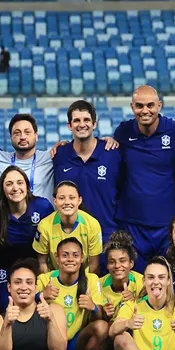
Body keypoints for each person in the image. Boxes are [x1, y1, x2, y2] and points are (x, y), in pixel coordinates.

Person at [114, 86, 175, 265]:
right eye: (139, 106)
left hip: (168, 223)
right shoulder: (123, 132)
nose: (145, 111)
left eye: (150, 105)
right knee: (136, 281)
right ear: (131, 107)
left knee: (168, 278)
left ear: (159, 105)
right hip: (132, 223)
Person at [74, 230, 142, 350]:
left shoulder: (142, 282)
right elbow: (95, 318)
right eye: (112, 262)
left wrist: (135, 301)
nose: (117, 266)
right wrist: (103, 312)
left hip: (134, 336)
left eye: (122, 261)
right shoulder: (99, 284)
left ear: (131, 263)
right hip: (108, 337)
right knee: (104, 326)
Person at [52, 100, 123, 247]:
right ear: (69, 125)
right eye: (76, 120)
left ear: (94, 124)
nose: (82, 124)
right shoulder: (60, 155)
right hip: (70, 238)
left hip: (107, 236)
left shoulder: (112, 153)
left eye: (86, 120)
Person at [36, 237, 106, 350]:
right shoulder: (45, 279)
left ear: (82, 258)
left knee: (102, 327)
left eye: (75, 255)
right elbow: (25, 305)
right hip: (49, 344)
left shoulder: (91, 280)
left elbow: (99, 317)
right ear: (57, 258)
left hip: (76, 343)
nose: (70, 259)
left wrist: (94, 307)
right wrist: (41, 295)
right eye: (65, 255)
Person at [0, 166, 54, 309]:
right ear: (2, 189)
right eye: (9, 184)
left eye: (20, 182)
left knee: (36, 309)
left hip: (34, 268)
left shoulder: (42, 207)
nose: (15, 188)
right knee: (9, 310)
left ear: (27, 186)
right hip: (3, 268)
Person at [32, 181, 101, 274]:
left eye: (72, 198)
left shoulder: (92, 224)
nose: (67, 202)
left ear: (79, 200)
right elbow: (42, 262)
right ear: (55, 201)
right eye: (61, 198)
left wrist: (82, 283)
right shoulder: (44, 226)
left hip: (83, 278)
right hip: (55, 278)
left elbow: (94, 265)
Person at [0, 113, 54, 198]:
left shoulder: (50, 158)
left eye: (27, 132)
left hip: (44, 211)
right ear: (11, 138)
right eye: (17, 133)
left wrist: (64, 143)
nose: (22, 137)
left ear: (36, 136)